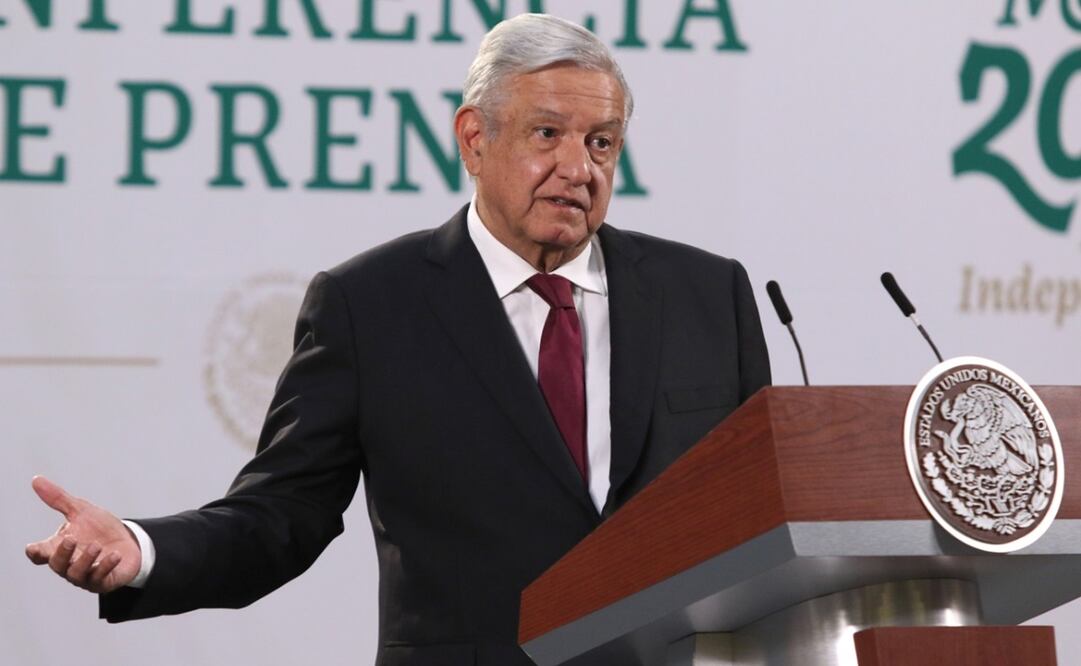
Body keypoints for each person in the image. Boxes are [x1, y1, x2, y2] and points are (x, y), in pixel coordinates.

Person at [25, 13, 770, 666]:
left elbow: (765, 514)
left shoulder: (707, 295)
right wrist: (141, 549)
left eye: (601, 143)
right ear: (474, 138)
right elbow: (281, 517)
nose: (578, 168)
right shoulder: (370, 306)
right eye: (548, 134)